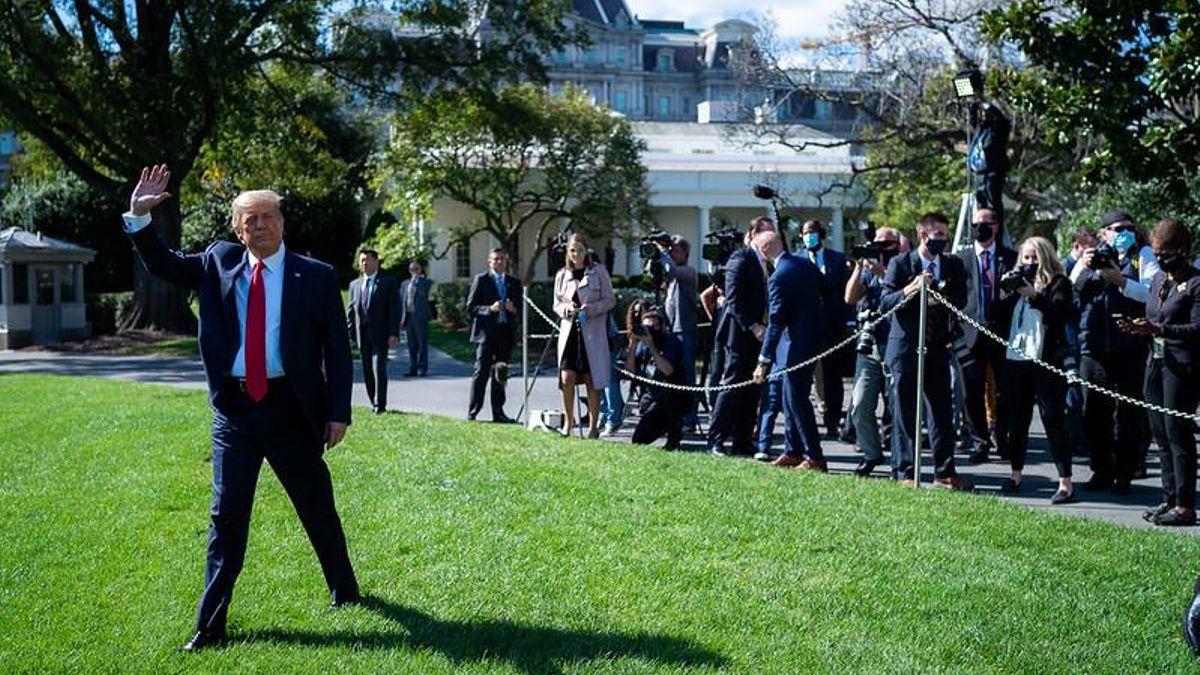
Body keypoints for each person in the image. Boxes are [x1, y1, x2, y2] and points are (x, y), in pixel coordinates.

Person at [122, 165, 359, 652]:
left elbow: (337, 350)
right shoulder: (217, 262)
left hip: (291, 408)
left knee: (316, 505)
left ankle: (345, 589)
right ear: (237, 228)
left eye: (267, 218)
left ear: (282, 223)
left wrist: (339, 411)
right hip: (236, 411)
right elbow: (165, 265)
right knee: (226, 517)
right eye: (249, 221)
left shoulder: (314, 277)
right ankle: (211, 627)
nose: (259, 228)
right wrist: (140, 218)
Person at [880, 212, 971, 489]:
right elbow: (886, 302)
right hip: (906, 348)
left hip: (938, 347)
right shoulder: (900, 263)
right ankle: (905, 471)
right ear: (924, 235)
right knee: (905, 411)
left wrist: (939, 298)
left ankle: (945, 471)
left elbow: (961, 298)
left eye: (945, 235)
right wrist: (912, 289)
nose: (943, 240)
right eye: (939, 235)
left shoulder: (952, 264)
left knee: (941, 412)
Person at [1122, 219, 1200, 526]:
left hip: (1183, 367)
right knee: (1160, 434)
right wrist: (1139, 326)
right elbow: (1152, 314)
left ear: (1181, 250)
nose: (1160, 258)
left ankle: (1185, 504)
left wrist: (1159, 328)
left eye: (1165, 252)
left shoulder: (1195, 283)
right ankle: (1168, 497)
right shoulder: (1159, 281)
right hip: (1155, 363)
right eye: (1156, 252)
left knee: (1178, 433)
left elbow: (1197, 328)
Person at [1074, 211, 1152, 494]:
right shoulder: (1092, 255)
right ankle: (1101, 471)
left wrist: (1121, 281)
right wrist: (1084, 264)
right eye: (1118, 228)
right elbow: (1071, 288)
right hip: (1093, 347)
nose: (1124, 232)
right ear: (1103, 232)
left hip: (1129, 346)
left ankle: (1125, 473)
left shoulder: (1142, 255)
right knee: (1093, 413)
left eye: (1129, 228)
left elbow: (1151, 293)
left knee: (1128, 415)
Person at [997, 237, 1077, 503]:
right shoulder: (1016, 284)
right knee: (1016, 420)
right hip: (1015, 357)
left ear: (1045, 257)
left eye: (1034, 257)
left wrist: (1035, 295)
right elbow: (1000, 315)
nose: (1030, 262)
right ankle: (1016, 473)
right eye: (1026, 257)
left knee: (1052, 417)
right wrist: (1008, 287)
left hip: (1045, 358)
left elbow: (1059, 314)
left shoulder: (1059, 283)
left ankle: (1065, 481)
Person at [753, 231, 826, 470]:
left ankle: (814, 456)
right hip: (813, 339)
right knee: (788, 396)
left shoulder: (777, 277)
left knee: (796, 400)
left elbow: (775, 323)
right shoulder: (804, 263)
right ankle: (792, 450)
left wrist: (763, 360)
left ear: (763, 251)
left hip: (797, 345)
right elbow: (827, 290)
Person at [708, 216, 777, 456]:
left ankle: (742, 440)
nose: (772, 238)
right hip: (740, 333)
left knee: (752, 389)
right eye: (767, 233)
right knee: (732, 386)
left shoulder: (770, 263)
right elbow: (733, 299)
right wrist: (754, 326)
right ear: (754, 235)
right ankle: (715, 440)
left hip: (761, 336)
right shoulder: (741, 258)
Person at [955, 207, 1018, 464]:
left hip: (1001, 333)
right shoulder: (961, 259)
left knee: (1004, 390)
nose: (980, 227)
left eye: (986, 222)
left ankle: (1002, 438)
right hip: (969, 334)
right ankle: (979, 441)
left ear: (996, 226)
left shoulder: (1010, 257)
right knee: (971, 391)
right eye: (975, 223)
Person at [844, 227, 902, 476]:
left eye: (887, 243)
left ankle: (902, 459)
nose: (881, 247)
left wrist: (883, 273)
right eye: (877, 243)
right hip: (869, 345)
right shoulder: (869, 269)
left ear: (897, 244)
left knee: (897, 405)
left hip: (895, 344)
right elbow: (850, 298)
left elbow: (909, 291)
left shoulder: (903, 265)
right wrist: (859, 267)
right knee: (859, 404)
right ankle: (871, 453)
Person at [554, 233, 615, 438]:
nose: (576, 254)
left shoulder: (598, 272)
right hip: (570, 333)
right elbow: (556, 303)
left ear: (586, 250)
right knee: (566, 377)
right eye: (572, 250)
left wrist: (591, 309)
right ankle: (568, 423)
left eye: (580, 250)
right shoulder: (562, 275)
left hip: (593, 335)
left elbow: (610, 300)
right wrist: (566, 309)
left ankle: (593, 427)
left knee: (592, 380)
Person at [800, 219, 854, 438]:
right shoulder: (797, 260)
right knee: (805, 376)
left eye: (812, 232)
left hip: (832, 328)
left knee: (832, 377)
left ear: (820, 234)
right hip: (805, 328)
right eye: (805, 232)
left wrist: (849, 323)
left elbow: (846, 294)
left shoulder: (837, 259)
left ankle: (832, 421)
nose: (808, 236)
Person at [466, 248, 523, 423]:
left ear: (506, 262)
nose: (499, 262)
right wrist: (489, 309)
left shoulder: (513, 282)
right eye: (495, 259)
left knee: (500, 374)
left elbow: (520, 309)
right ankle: (473, 411)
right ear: (489, 261)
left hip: (504, 333)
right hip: (485, 335)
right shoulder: (481, 280)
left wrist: (514, 309)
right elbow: (470, 308)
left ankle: (498, 413)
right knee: (481, 372)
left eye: (502, 259)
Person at [346, 249, 400, 414]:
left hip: (381, 335)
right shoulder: (354, 285)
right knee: (367, 369)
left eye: (367, 260)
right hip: (362, 335)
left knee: (379, 368)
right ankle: (372, 400)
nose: (364, 263)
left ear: (376, 262)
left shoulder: (387, 282)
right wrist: (350, 335)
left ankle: (380, 404)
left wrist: (393, 333)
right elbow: (351, 312)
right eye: (361, 261)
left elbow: (395, 309)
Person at [626, 306, 687, 449]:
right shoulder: (641, 345)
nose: (650, 331)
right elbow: (629, 371)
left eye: (654, 327)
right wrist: (633, 344)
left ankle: (674, 436)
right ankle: (664, 426)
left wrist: (652, 346)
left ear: (662, 327)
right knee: (638, 440)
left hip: (675, 398)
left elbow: (668, 371)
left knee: (669, 398)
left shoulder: (671, 342)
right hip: (651, 400)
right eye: (646, 327)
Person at [659, 234, 700, 429]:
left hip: (686, 331)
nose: (671, 253)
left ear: (685, 253)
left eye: (675, 250)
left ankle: (690, 418)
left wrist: (662, 253)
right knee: (673, 376)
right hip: (672, 331)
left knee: (687, 376)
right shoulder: (672, 277)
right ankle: (673, 416)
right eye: (670, 250)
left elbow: (673, 270)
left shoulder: (689, 272)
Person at [400, 260, 433, 377]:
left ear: (420, 270)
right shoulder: (404, 284)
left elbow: (425, 294)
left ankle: (422, 368)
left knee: (422, 344)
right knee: (411, 345)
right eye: (411, 269)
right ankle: (412, 368)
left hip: (420, 317)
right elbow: (401, 300)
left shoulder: (426, 282)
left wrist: (417, 283)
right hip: (408, 317)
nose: (414, 271)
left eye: (416, 269)